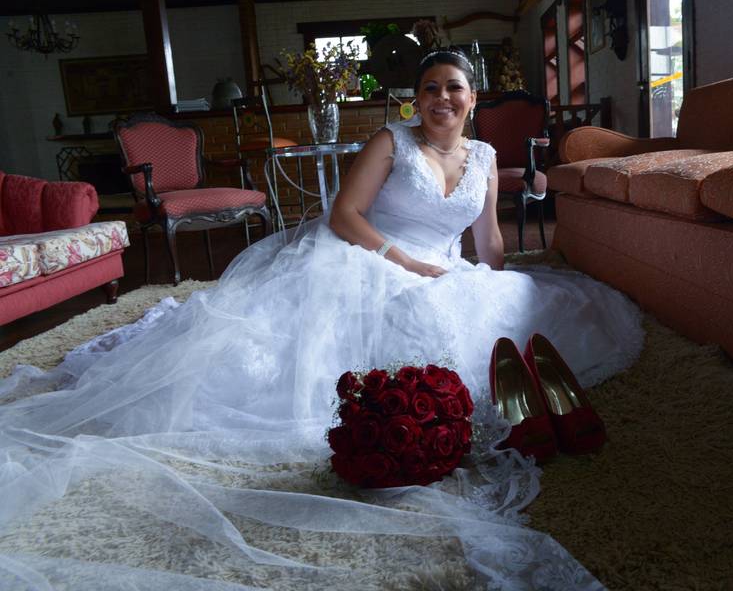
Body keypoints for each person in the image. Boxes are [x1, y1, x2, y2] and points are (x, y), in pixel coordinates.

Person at [0, 49, 643, 590]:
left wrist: (494, 283)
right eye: (430, 89)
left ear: (473, 98)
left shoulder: (480, 159)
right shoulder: (392, 141)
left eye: (454, 88)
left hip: (443, 265)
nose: (442, 98)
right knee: (327, 347)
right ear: (413, 100)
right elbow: (344, 216)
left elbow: (488, 240)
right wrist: (411, 267)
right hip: (366, 255)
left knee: (515, 307)